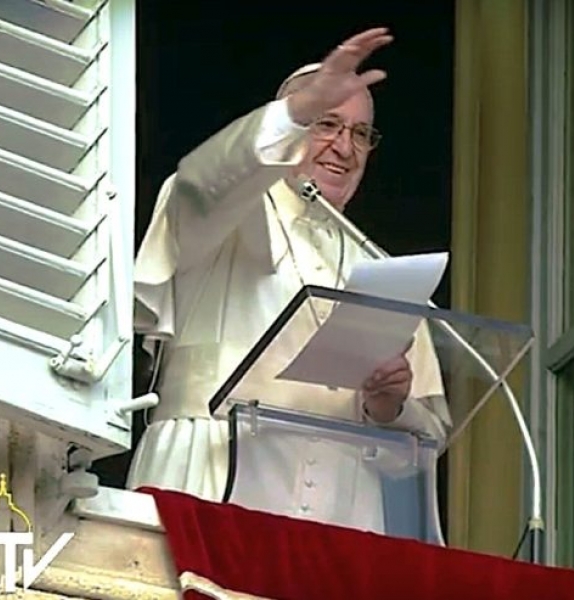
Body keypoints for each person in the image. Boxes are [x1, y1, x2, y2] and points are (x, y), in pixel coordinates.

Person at [128, 28, 452, 534]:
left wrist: (389, 407)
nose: (344, 147)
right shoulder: (231, 216)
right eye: (326, 123)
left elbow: (422, 447)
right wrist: (297, 109)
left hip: (341, 517)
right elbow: (204, 179)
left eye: (360, 133)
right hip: (210, 480)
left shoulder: (388, 271)